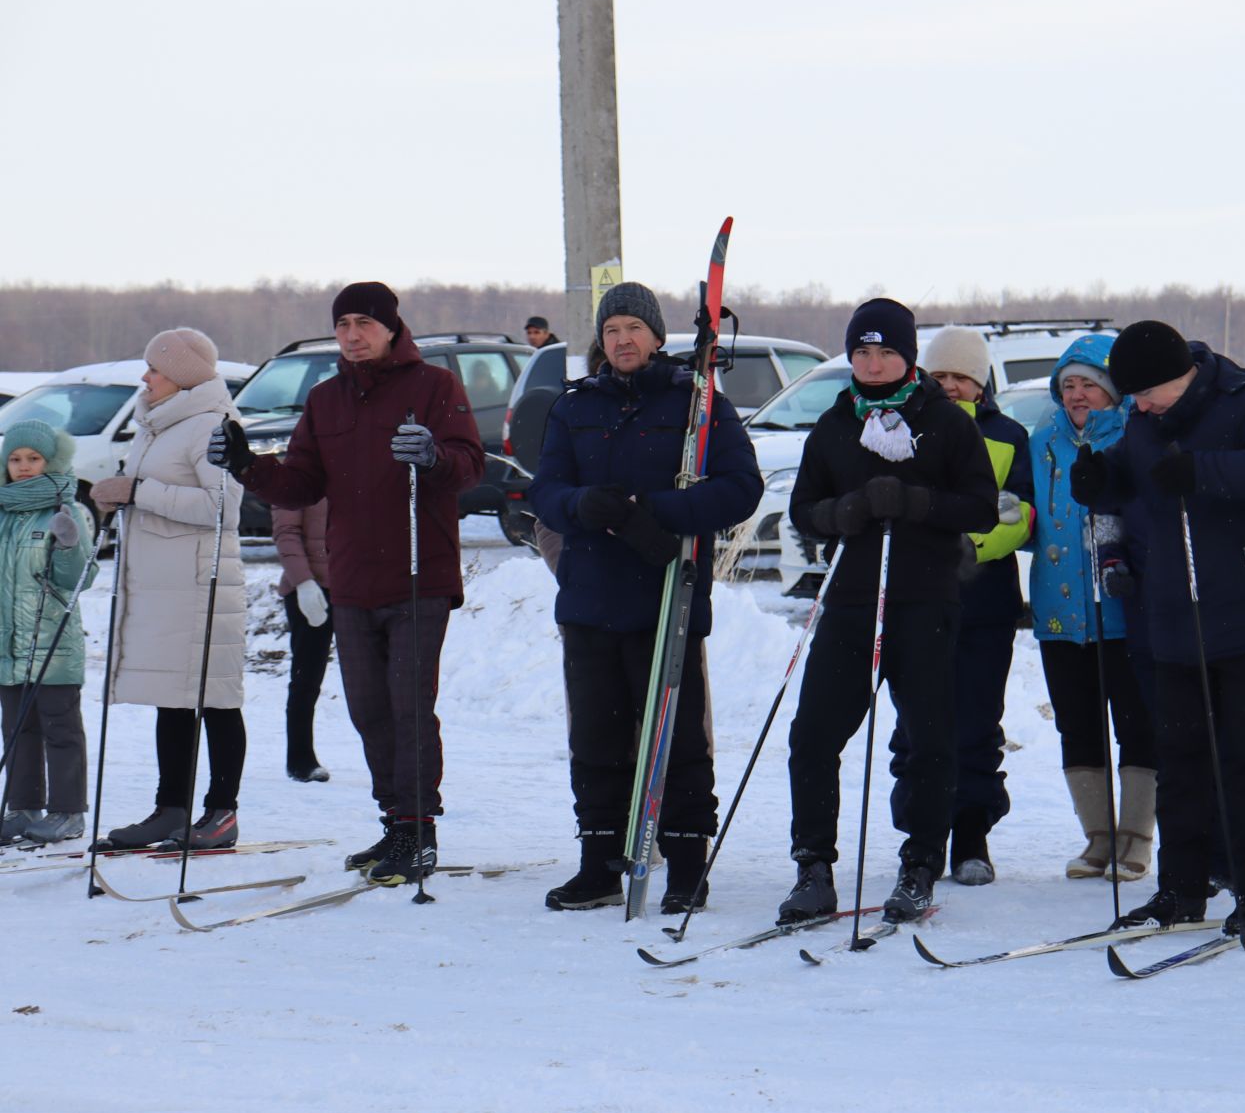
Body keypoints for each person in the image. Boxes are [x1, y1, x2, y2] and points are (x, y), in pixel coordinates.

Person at [210, 283, 485, 887]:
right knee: (368, 710)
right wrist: (246, 465)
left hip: (419, 574)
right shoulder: (326, 399)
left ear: (391, 328)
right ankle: (394, 823)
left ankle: (419, 832)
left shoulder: (434, 388)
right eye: (343, 325)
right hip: (353, 578)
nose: (353, 335)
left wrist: (434, 456)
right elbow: (301, 485)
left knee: (409, 706)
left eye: (364, 323)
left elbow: (470, 465)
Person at [1071, 320, 1245, 937]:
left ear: (1175, 376)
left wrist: (1204, 470)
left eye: (1144, 393)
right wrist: (1102, 481)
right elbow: (1134, 475)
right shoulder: (1147, 420)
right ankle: (1180, 890)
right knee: (1179, 760)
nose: (1138, 406)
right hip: (1172, 617)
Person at [527, 282, 763, 912]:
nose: (622, 340)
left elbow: (742, 487)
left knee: (678, 737)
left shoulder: (697, 402)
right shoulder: (574, 407)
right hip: (590, 598)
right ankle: (601, 861)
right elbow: (545, 491)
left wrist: (653, 512)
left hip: (667, 596)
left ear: (657, 337)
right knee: (596, 741)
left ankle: (686, 864)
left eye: (633, 327)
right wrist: (582, 504)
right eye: (610, 331)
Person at [779, 299, 998, 925]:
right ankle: (813, 868)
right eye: (862, 352)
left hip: (925, 600)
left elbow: (981, 506)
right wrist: (840, 514)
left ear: (908, 358)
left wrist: (915, 502)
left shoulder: (946, 422)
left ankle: (921, 865)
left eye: (886, 353)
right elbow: (804, 510)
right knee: (814, 735)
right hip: (850, 601)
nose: (873, 365)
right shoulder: (834, 423)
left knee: (930, 738)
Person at [886, 326, 1033, 886]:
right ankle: (921, 834)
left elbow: (1016, 515)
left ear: (981, 383)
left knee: (975, 722)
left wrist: (968, 545)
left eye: (962, 378)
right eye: (940, 376)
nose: (950, 386)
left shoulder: (1007, 435)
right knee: (916, 722)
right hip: (914, 599)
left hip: (981, 601)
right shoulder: (901, 427)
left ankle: (972, 833)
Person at [92, 329, 248, 851]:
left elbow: (223, 508)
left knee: (215, 698)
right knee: (173, 700)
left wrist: (140, 491)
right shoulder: (157, 427)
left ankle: (221, 813)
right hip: (164, 585)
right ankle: (170, 809)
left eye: (154, 369)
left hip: (202, 584)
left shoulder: (212, 426)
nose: (145, 377)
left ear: (181, 377)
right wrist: (119, 499)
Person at [1028, 332, 1159, 881]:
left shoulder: (1136, 435)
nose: (1078, 395)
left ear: (1113, 390)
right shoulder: (1044, 439)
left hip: (1123, 611)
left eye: (1090, 384)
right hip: (1060, 613)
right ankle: (1097, 838)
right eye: (1069, 385)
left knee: (1136, 722)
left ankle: (1135, 839)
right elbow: (1031, 516)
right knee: (1077, 725)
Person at [0, 422, 96, 846]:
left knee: (60, 728)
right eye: (15, 459)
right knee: (17, 727)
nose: (23, 467)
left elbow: (79, 579)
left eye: (33, 459)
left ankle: (68, 811)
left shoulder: (64, 508)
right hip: (8, 643)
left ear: (51, 461)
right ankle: (23, 807)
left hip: (52, 643)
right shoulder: (3, 511)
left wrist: (71, 546)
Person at [274, 500, 333, 783]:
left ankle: (388, 759)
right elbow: (286, 531)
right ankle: (300, 759)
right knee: (306, 678)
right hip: (308, 590)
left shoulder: (357, 466)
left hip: (357, 587)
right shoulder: (301, 471)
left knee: (371, 680)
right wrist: (303, 581)